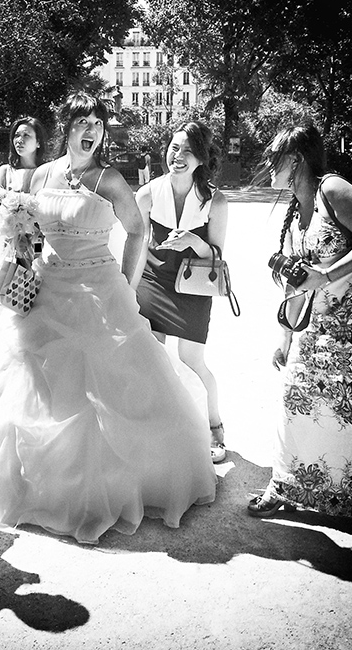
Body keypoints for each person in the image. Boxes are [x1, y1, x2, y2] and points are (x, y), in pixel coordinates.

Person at [0, 91, 217, 545]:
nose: (91, 130)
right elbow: (29, 231)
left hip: (99, 293)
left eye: (98, 123)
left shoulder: (110, 179)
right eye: (82, 122)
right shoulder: (42, 175)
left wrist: (125, 284)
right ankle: (34, 483)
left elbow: (137, 230)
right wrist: (23, 266)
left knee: (103, 393)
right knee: (29, 386)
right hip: (46, 290)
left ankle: (105, 484)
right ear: (67, 128)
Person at [248, 121, 352, 520]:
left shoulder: (333, 190)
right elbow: (298, 281)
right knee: (296, 400)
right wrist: (284, 338)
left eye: (274, 157)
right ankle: (284, 483)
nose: (269, 165)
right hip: (317, 328)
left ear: (296, 159)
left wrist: (327, 275)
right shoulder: (295, 207)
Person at [135, 122, 229, 464]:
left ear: (201, 159)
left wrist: (195, 242)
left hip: (193, 286)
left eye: (188, 151)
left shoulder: (215, 201)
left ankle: (214, 428)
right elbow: (138, 245)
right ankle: (159, 428)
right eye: (174, 148)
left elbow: (218, 257)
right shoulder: (147, 193)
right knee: (154, 359)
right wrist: (127, 291)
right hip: (152, 282)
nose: (178, 156)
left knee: (192, 361)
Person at [0, 116, 47, 205]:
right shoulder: (5, 171)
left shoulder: (47, 172)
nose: (19, 140)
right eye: (17, 135)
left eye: (26, 135)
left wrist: (8, 196)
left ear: (38, 142)